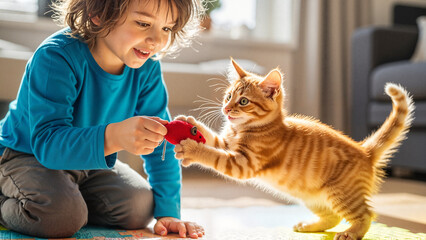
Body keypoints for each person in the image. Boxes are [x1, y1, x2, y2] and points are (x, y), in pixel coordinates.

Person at [0, 0, 205, 238]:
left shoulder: (147, 69)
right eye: (142, 23)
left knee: (140, 208)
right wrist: (114, 137)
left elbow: (162, 144)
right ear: (97, 13)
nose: (157, 40)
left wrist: (169, 213)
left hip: (87, 163)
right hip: (25, 155)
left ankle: (69, 198)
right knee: (61, 217)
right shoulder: (56, 56)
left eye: (167, 28)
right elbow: (47, 143)